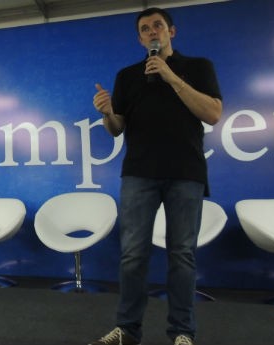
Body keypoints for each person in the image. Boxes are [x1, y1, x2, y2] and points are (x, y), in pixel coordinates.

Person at [90, 7, 222, 345]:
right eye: (145, 28)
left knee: (182, 255)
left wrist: (170, 76)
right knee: (133, 255)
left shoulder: (198, 67)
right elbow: (117, 129)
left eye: (158, 26)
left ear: (171, 32)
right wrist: (107, 114)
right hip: (139, 174)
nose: (152, 32)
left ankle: (182, 333)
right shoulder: (127, 76)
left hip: (185, 172)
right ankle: (128, 331)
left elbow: (213, 113)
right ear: (139, 38)